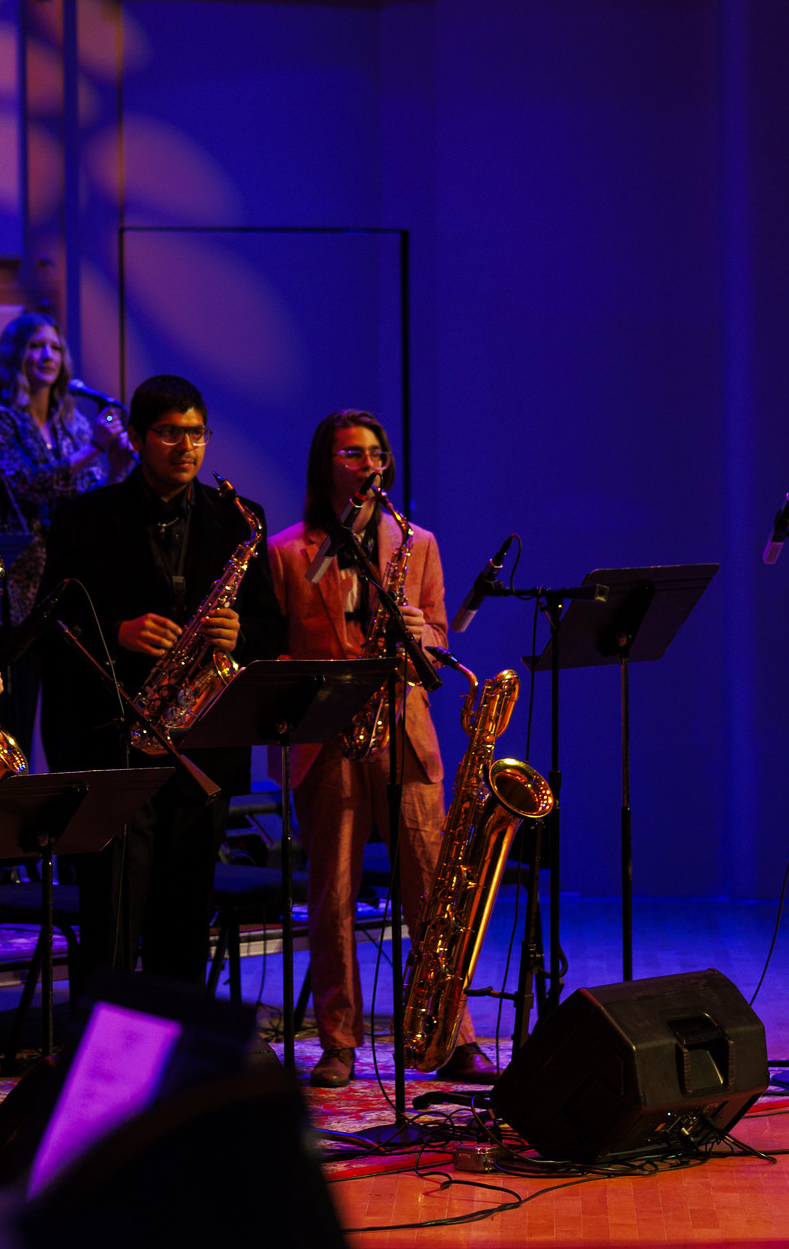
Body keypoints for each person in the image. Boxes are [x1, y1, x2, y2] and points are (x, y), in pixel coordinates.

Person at [268, 410, 496, 1088]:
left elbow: (440, 648)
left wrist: (422, 634)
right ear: (326, 464)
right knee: (331, 892)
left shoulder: (418, 544)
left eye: (376, 453)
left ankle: (449, 1034)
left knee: (432, 884)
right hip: (329, 739)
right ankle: (338, 1040)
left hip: (404, 731)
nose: (368, 464)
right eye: (350, 453)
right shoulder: (287, 550)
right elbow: (278, 649)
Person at [41, 375, 286, 988]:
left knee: (183, 925)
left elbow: (272, 628)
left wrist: (242, 634)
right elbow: (48, 621)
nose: (187, 447)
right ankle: (102, 1070)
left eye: (196, 433)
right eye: (171, 433)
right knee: (112, 925)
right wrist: (116, 632)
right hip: (114, 742)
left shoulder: (239, 518)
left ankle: (178, 1066)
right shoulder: (82, 518)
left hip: (202, 746)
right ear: (135, 436)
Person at [0, 314, 132, 758]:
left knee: (66, 727)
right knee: (13, 723)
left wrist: (118, 468)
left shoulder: (77, 425)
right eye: (36, 346)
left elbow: (89, 502)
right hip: (16, 593)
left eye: (55, 348)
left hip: (66, 589)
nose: (47, 356)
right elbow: (22, 483)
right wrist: (94, 452)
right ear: (13, 357)